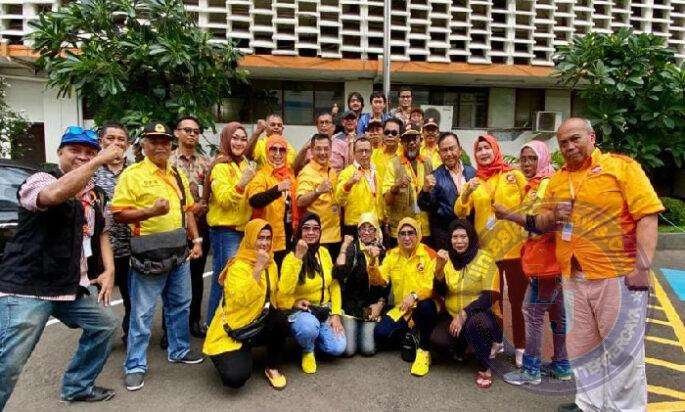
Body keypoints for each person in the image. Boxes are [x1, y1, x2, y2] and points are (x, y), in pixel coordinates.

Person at [526, 118, 663, 412]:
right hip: (573, 275)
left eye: (575, 139)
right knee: (582, 346)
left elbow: (647, 215)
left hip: (617, 275)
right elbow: (541, 223)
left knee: (622, 350)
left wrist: (642, 267)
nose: (569, 146)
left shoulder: (622, 167)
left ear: (592, 137)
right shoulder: (558, 180)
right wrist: (554, 215)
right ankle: (589, 404)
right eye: (563, 142)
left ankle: (624, 408)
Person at [0, 126, 122, 406]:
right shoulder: (41, 179)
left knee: (104, 325)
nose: (83, 156)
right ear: (59, 153)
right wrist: (97, 161)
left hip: (70, 286)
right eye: (75, 150)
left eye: (89, 152)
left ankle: (77, 386)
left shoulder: (95, 194)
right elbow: (54, 195)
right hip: (29, 288)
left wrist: (109, 270)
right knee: (8, 363)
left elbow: (101, 232)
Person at [112, 122, 204, 392]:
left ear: (171, 145)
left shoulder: (177, 173)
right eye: (154, 141)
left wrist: (196, 239)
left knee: (180, 304)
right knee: (142, 313)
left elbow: (187, 210)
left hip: (178, 250)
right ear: (144, 145)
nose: (160, 146)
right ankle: (135, 365)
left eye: (164, 141)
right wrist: (150, 212)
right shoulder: (132, 174)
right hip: (148, 252)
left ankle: (179, 350)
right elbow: (119, 213)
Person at [494, 140, 572, 386]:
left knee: (533, 314)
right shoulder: (541, 183)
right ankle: (561, 365)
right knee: (557, 313)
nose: (527, 164)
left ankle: (531, 370)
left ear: (543, 158)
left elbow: (540, 224)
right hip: (551, 260)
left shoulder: (547, 185)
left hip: (546, 262)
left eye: (532, 158)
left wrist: (507, 214)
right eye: (523, 159)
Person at [453, 134, 527, 366]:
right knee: (493, 300)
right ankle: (497, 340)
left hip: (515, 249)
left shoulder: (513, 176)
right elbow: (460, 212)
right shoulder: (475, 182)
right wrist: (466, 193)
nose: (483, 153)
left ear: (495, 150)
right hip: (488, 252)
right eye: (479, 149)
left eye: (487, 148)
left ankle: (521, 346)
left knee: (517, 300)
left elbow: (531, 203)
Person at [203, 219, 289, 389]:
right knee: (235, 378)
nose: (265, 243)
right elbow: (242, 299)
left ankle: (272, 367)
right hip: (233, 329)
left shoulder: (271, 263)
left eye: (268, 238)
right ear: (249, 238)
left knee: (280, 319)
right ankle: (235, 353)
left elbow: (275, 295)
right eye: (260, 238)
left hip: (256, 322)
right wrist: (258, 267)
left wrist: (294, 306)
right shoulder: (237, 266)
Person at [431, 219, 502, 388]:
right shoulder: (446, 259)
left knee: (477, 324)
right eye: (455, 237)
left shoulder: (485, 258)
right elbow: (440, 292)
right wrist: (439, 270)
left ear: (471, 237)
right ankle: (465, 347)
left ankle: (485, 366)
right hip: (453, 315)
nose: (459, 241)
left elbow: (491, 296)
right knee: (437, 340)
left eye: (463, 237)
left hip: (481, 314)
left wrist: (464, 313)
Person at [368, 217, 437, 377]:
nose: (406, 237)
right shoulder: (391, 254)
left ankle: (424, 349)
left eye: (411, 233)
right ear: (398, 236)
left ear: (418, 234)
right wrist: (372, 262)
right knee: (380, 333)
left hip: (423, 306)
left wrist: (414, 295)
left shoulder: (430, 254)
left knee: (426, 306)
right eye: (402, 233)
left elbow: (430, 287)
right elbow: (380, 281)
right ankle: (411, 334)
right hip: (402, 309)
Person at [278, 212, 346, 374]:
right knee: (308, 328)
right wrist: (298, 257)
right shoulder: (291, 256)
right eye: (306, 228)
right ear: (299, 231)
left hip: (324, 309)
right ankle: (307, 349)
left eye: (315, 229)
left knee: (337, 347)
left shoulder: (324, 252)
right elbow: (284, 290)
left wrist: (336, 314)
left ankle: (311, 340)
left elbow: (334, 285)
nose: (311, 232)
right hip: (303, 312)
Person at [204, 122, 256, 324]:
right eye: (235, 138)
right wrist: (242, 182)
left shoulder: (243, 163)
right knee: (223, 279)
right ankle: (212, 325)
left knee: (236, 280)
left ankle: (228, 324)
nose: (239, 143)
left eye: (243, 139)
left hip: (243, 230)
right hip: (225, 231)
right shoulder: (220, 166)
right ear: (226, 139)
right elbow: (224, 200)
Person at [170, 116, 211, 338]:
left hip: (200, 226)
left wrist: (203, 205)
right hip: (174, 227)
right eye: (187, 130)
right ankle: (170, 328)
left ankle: (194, 321)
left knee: (196, 277)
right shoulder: (167, 161)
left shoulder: (206, 162)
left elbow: (211, 194)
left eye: (196, 131)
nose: (192, 134)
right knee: (172, 279)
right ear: (177, 132)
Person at [93, 123, 132, 345]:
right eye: (110, 138)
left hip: (130, 246)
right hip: (98, 249)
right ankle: (100, 337)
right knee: (97, 297)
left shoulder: (135, 171)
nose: (116, 143)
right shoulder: (91, 169)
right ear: (101, 141)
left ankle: (130, 334)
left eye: (121, 139)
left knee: (131, 296)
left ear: (127, 145)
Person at [334, 213, 387, 357]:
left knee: (368, 350)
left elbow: (387, 283)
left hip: (372, 307)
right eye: (363, 228)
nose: (366, 232)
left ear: (376, 231)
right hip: (352, 307)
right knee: (349, 350)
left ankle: (364, 331)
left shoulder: (383, 252)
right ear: (358, 231)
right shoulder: (353, 249)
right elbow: (338, 274)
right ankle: (355, 329)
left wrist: (380, 304)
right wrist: (344, 247)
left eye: (371, 228)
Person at [246, 135, 298, 268]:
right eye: (273, 149)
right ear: (267, 151)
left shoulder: (290, 176)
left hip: (289, 236)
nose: (278, 153)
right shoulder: (261, 176)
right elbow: (254, 201)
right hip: (267, 239)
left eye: (282, 150)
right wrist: (277, 189)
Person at [418, 132, 476, 250]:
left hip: (469, 235)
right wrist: (425, 190)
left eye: (452, 148)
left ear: (460, 150)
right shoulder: (435, 176)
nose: (449, 154)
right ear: (439, 154)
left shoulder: (472, 172)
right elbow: (425, 206)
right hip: (445, 238)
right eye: (444, 150)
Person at [382, 125, 432, 249]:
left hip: (424, 228)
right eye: (407, 140)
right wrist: (396, 187)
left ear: (421, 141)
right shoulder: (393, 164)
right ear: (402, 143)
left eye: (414, 139)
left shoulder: (428, 162)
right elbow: (387, 200)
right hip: (402, 230)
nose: (411, 143)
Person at [297, 134, 342, 258]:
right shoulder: (306, 172)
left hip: (335, 235)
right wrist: (317, 191)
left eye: (326, 149)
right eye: (318, 149)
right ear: (311, 151)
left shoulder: (332, 171)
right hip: (318, 237)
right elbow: (300, 201)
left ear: (331, 150)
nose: (323, 153)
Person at [335, 137, 382, 236]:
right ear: (354, 153)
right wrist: (349, 183)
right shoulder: (347, 173)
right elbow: (339, 200)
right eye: (360, 151)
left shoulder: (376, 172)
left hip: (375, 224)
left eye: (367, 151)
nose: (364, 154)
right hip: (355, 226)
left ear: (371, 152)